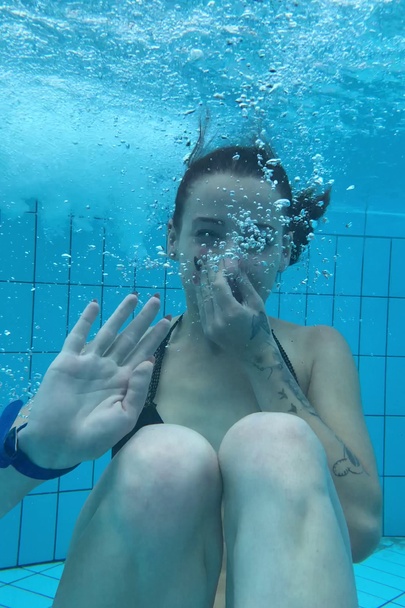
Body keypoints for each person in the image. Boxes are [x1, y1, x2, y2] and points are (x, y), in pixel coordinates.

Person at [0, 138, 382, 608]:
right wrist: (33, 455)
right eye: (207, 234)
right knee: (168, 456)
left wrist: (259, 353)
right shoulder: (129, 361)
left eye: (258, 239)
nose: (230, 260)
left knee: (275, 440)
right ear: (171, 239)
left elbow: (361, 532)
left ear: (286, 251)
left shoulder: (316, 351)